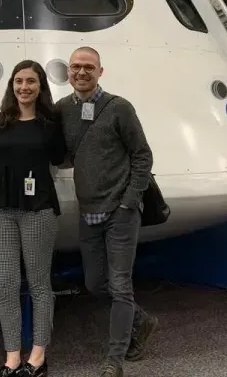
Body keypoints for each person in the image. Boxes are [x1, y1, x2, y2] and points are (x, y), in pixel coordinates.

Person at [56, 46, 159, 377]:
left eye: (89, 67)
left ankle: (114, 360)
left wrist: (130, 200)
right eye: (75, 67)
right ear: (68, 72)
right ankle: (142, 322)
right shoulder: (62, 110)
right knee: (95, 283)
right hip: (90, 212)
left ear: (101, 72)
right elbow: (63, 153)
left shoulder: (119, 108)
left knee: (119, 284)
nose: (81, 72)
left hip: (121, 212)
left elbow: (142, 155)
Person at [0, 60, 66, 377]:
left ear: (40, 86)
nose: (24, 87)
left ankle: (38, 355)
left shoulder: (49, 124)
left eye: (31, 81)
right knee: (6, 286)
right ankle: (12, 357)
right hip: (2, 210)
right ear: (11, 85)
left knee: (39, 285)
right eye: (19, 81)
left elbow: (60, 158)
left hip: (39, 210)